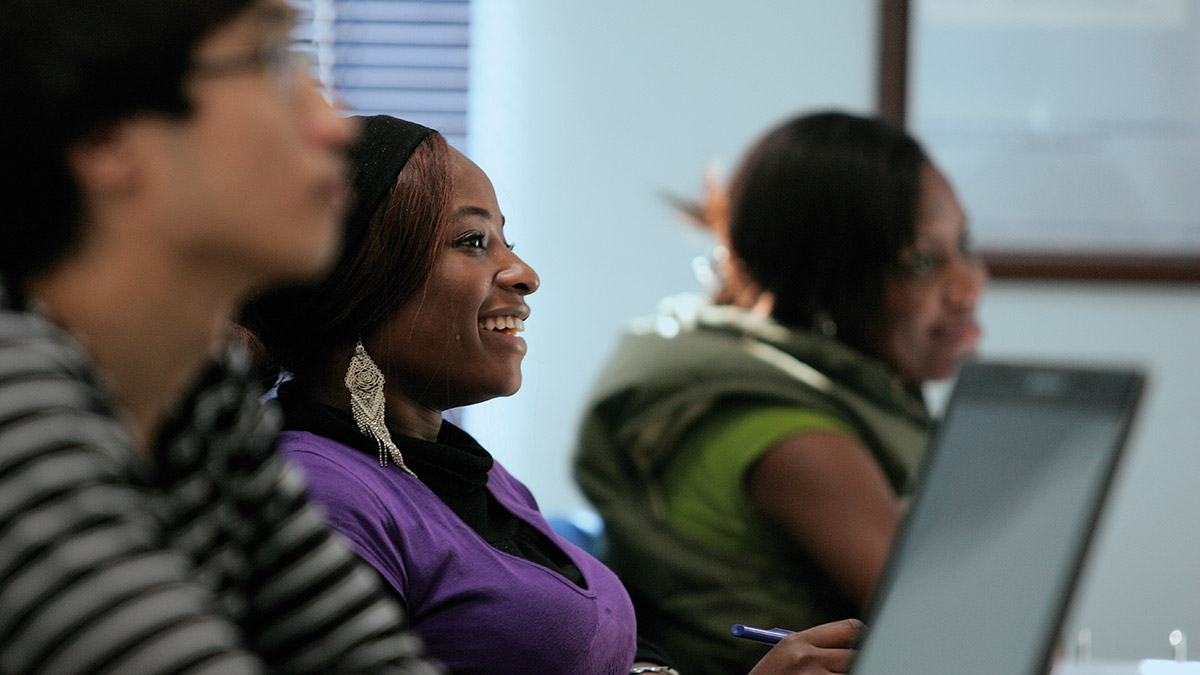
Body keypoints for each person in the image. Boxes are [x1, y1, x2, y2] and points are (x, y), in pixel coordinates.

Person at [240, 114, 865, 675]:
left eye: (506, 240)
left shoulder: (470, 474)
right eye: (471, 241)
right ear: (359, 282)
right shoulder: (323, 496)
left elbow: (609, 645)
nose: (524, 274)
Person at [0, 1, 441, 672]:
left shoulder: (201, 396)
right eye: (269, 60)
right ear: (106, 136)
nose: (333, 125)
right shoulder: (14, 397)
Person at [573, 110, 989, 675]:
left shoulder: (784, 371)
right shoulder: (788, 433)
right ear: (830, 276)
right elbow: (976, 640)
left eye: (964, 244)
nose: (968, 285)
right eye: (923, 261)